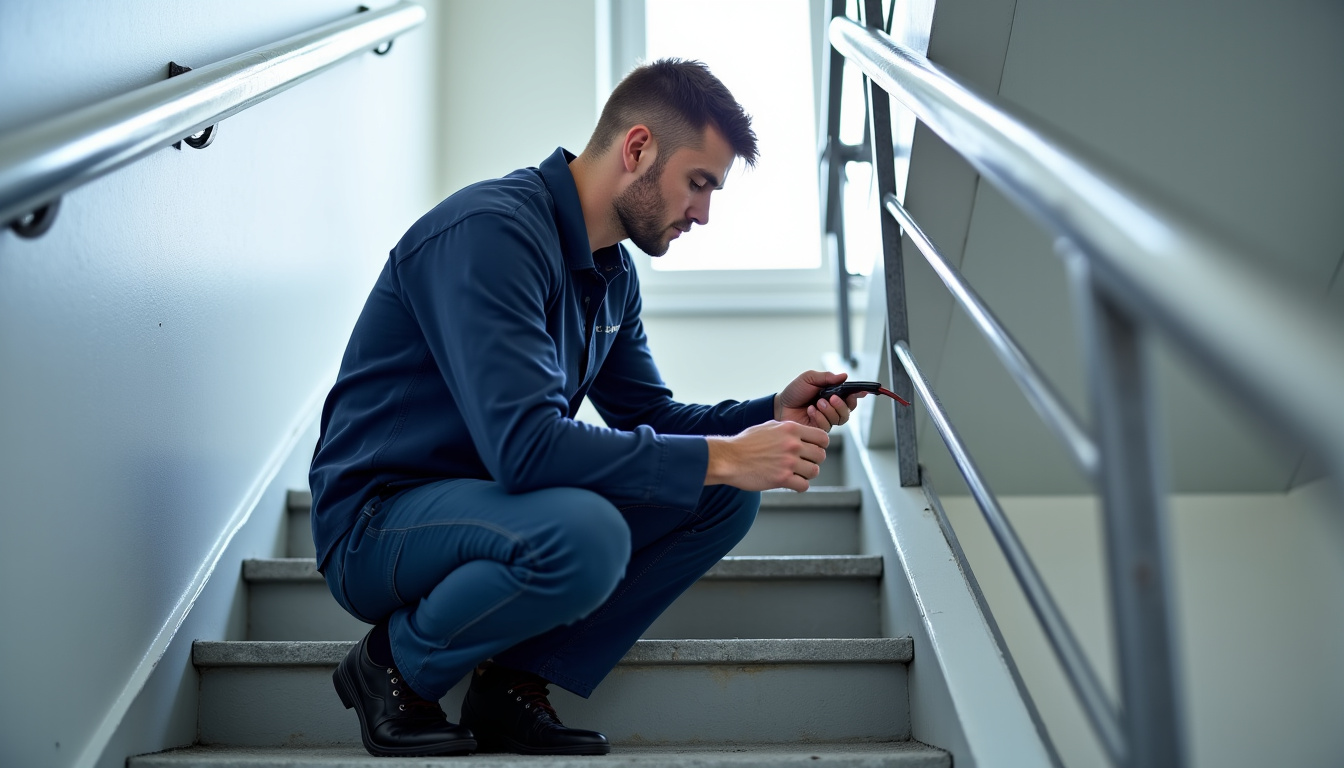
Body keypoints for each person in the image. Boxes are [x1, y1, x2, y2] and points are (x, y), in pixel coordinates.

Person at [309, 58, 865, 758]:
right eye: (699, 183)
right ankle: (392, 665)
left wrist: (768, 413)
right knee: (591, 531)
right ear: (637, 149)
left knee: (722, 498)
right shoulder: (492, 233)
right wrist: (724, 455)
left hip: (491, 508)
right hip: (379, 521)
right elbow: (527, 448)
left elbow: (650, 415)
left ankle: (512, 681)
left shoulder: (612, 274)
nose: (704, 213)